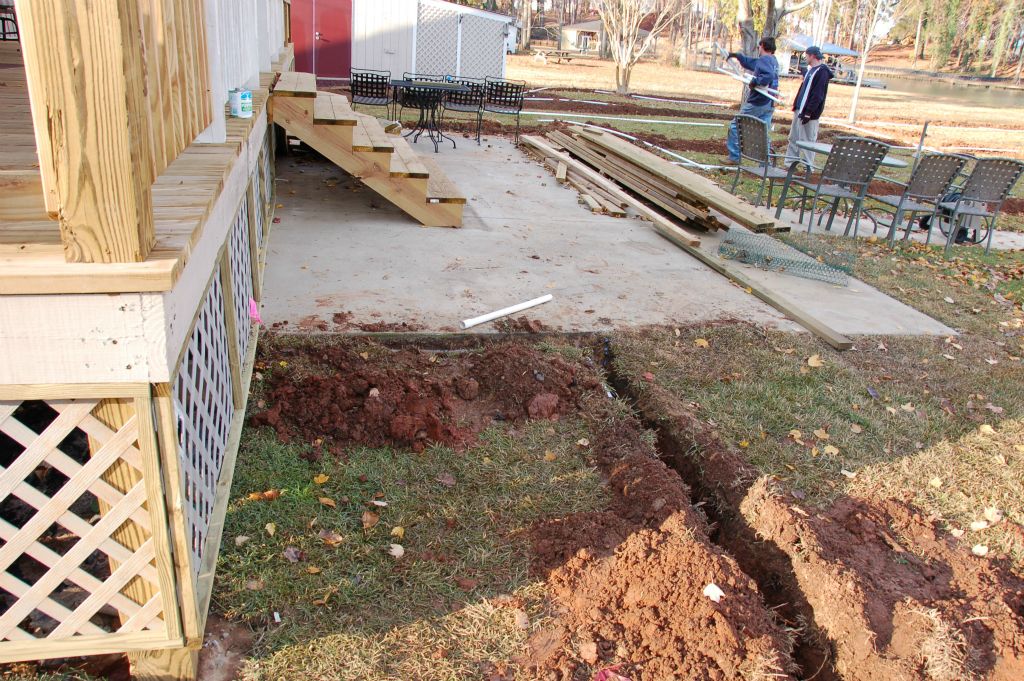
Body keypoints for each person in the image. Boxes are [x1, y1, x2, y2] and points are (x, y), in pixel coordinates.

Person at [723, 37, 780, 165]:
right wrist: (738, 56)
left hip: (758, 102)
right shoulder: (773, 60)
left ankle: (734, 157)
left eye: (759, 47)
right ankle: (765, 164)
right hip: (769, 103)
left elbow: (768, 75)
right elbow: (752, 63)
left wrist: (756, 81)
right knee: (764, 133)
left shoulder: (765, 59)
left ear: (763, 46)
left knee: (735, 125)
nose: (758, 49)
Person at [785, 46, 832, 167]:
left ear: (812, 56)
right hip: (799, 109)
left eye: (806, 55)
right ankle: (790, 163)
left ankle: (808, 167)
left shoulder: (822, 71)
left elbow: (818, 95)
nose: (805, 57)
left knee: (808, 141)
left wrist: (808, 112)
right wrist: (797, 106)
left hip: (809, 114)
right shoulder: (811, 70)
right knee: (793, 138)